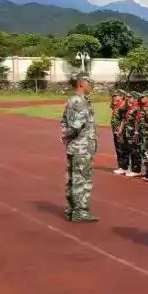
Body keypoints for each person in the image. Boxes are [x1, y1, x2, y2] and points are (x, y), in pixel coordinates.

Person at [60, 73, 98, 222]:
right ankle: (80, 211)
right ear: (82, 83)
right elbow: (76, 126)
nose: (91, 85)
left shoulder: (71, 100)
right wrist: (68, 136)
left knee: (72, 179)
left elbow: (63, 121)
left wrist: (65, 137)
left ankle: (71, 209)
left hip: (74, 146)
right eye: (89, 82)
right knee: (82, 180)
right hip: (82, 147)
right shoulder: (81, 102)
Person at [109, 90, 129, 175]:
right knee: (118, 148)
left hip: (120, 131)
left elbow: (124, 120)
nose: (114, 97)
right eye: (114, 96)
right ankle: (122, 166)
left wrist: (120, 130)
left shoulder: (122, 106)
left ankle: (124, 167)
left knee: (122, 148)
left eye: (116, 96)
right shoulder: (116, 105)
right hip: (116, 130)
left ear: (121, 96)